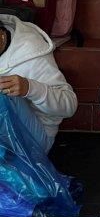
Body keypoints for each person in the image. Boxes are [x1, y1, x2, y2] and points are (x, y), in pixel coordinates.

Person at [0, 14, 77, 152]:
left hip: (35, 138)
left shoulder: (29, 51)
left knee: (3, 93)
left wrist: (29, 88)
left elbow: (69, 105)